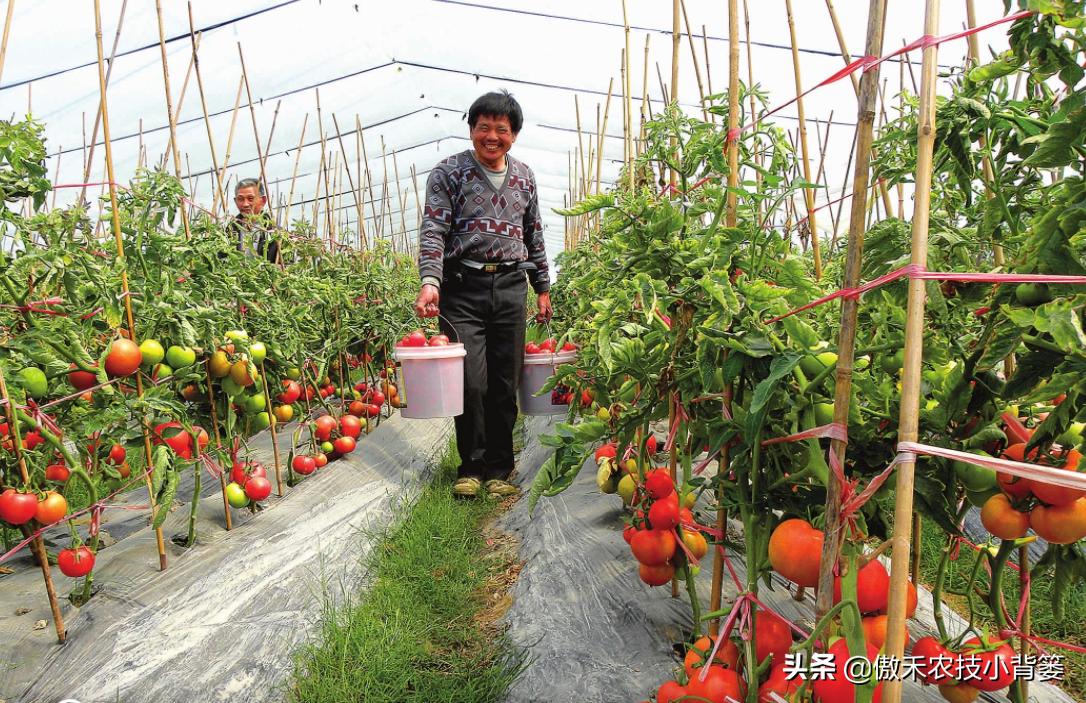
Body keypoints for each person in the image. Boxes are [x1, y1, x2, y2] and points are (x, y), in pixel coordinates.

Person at [414, 90, 552, 499]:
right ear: (472, 129)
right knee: (470, 382)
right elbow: (433, 230)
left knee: (505, 381)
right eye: (483, 127)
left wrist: (542, 287)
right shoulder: (448, 173)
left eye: (501, 130)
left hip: (511, 286)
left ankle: (499, 469)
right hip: (462, 288)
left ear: (514, 135)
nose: (491, 136)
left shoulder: (525, 176)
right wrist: (430, 282)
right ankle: (470, 467)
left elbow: (535, 233)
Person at [229, 177, 280, 264]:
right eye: (240, 199)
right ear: (235, 201)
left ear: (263, 201)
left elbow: (285, 267)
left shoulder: (275, 233)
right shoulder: (229, 231)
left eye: (250, 198)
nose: (245, 204)